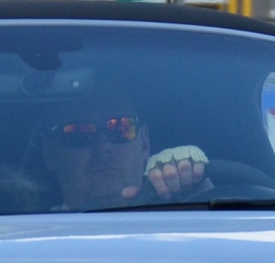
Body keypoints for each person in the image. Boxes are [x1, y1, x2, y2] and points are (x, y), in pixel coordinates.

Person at [37, 90, 209, 210]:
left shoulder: (183, 223)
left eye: (122, 127)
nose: (103, 147)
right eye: (79, 132)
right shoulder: (30, 242)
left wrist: (195, 186)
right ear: (50, 153)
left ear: (144, 142)